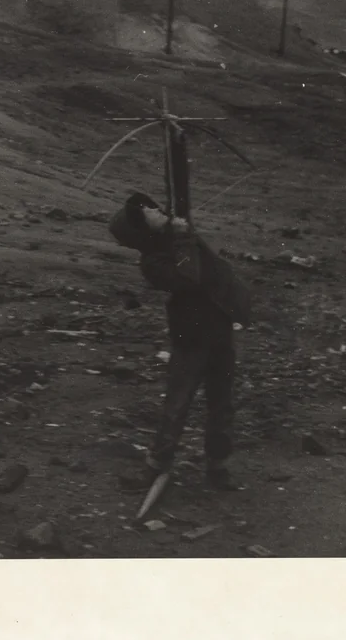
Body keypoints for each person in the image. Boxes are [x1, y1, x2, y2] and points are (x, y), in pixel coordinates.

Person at [108, 191, 252, 493]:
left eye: (149, 205)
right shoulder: (153, 260)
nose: (153, 208)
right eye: (145, 211)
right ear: (142, 230)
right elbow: (189, 278)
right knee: (178, 404)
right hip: (192, 337)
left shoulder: (175, 238)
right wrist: (182, 235)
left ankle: (217, 466)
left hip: (219, 328)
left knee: (222, 403)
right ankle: (156, 467)